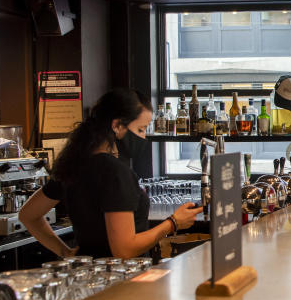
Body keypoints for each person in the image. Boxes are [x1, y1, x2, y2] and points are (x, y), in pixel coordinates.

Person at [19, 89, 202, 259]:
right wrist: (173, 222)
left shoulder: (74, 164)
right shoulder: (115, 172)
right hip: (121, 279)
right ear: (117, 126)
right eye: (140, 129)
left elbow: (28, 215)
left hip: (88, 275)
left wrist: (65, 252)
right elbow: (124, 249)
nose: (143, 138)